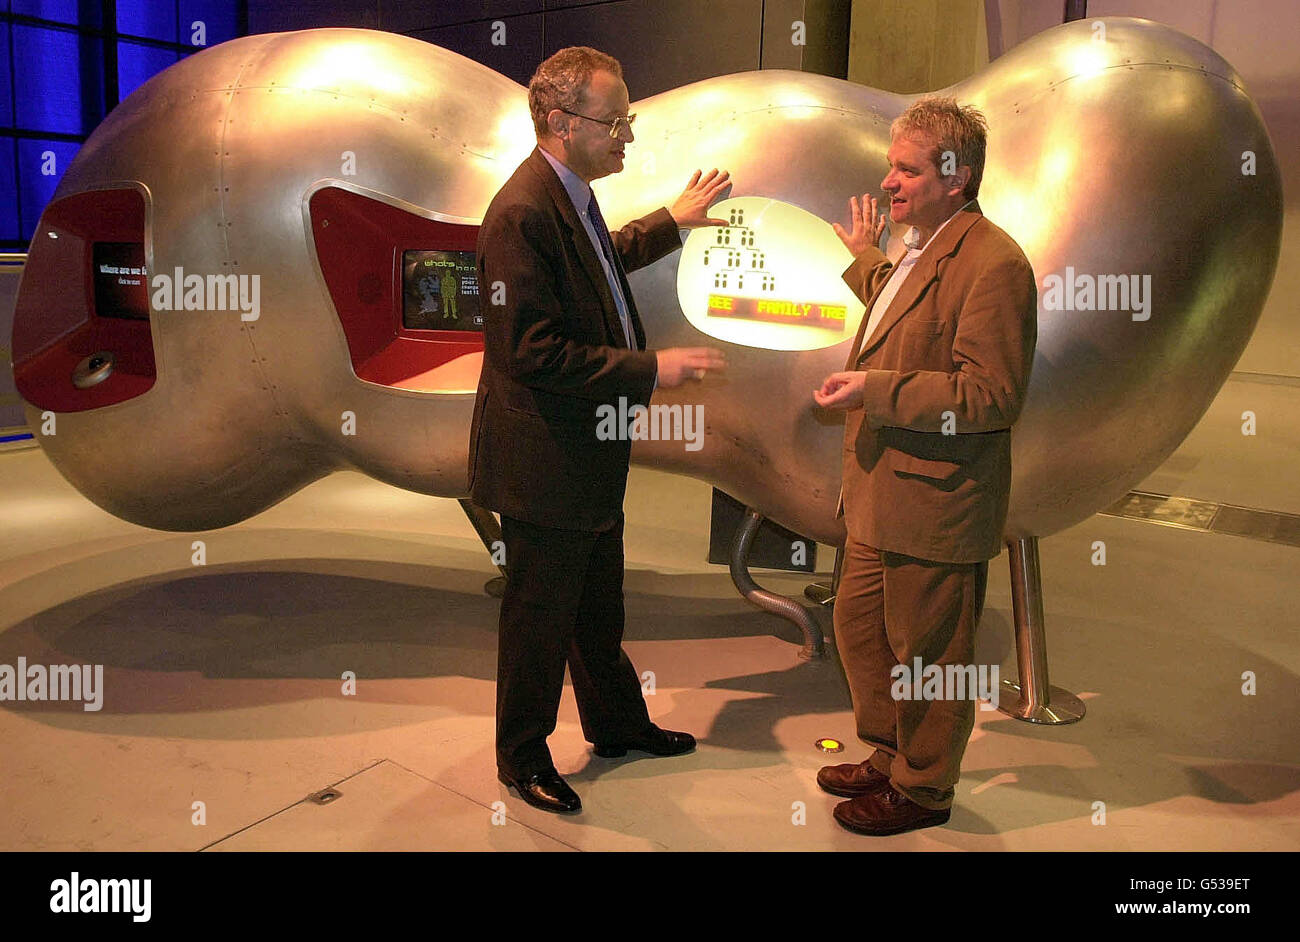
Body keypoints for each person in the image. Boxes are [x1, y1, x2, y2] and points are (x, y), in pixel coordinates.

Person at [469, 46, 730, 815]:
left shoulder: (569, 197)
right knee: (538, 618)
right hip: (543, 459)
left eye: (629, 119)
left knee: (594, 606)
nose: (627, 135)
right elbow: (527, 348)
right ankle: (521, 757)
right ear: (559, 121)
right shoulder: (520, 212)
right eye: (614, 121)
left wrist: (668, 224)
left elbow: (599, 264)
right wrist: (650, 370)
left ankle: (615, 725)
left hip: (585, 451)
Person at [813, 97, 1037, 836]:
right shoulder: (920, 246)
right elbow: (906, 316)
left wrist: (875, 391)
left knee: (931, 654)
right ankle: (890, 752)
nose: (888, 182)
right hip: (881, 491)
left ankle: (924, 788)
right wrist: (865, 261)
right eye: (891, 165)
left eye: (906, 168)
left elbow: (989, 394)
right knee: (861, 629)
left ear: (955, 174)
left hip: (938, 499)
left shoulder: (995, 262)